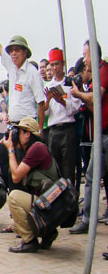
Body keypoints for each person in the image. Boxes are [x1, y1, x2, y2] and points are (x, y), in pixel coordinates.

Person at [3, 118, 61, 252]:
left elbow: (16, 177)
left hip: (50, 206)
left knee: (13, 197)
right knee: (15, 224)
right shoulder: (33, 149)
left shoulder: (37, 148)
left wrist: (11, 149)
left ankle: (30, 241)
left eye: (19, 132)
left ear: (27, 134)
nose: (16, 135)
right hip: (47, 204)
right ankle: (48, 233)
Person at [0, 15, 45, 124]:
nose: (13, 53)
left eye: (16, 50)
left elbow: (41, 103)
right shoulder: (11, 66)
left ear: (25, 52)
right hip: (13, 123)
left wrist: (39, 131)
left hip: (28, 124)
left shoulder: (32, 73)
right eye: (11, 51)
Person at [69, 40, 108, 234]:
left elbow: (96, 98)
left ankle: (88, 219)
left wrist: (79, 94)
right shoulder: (97, 74)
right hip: (101, 134)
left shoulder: (103, 70)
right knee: (91, 177)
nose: (84, 60)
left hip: (105, 134)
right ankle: (88, 219)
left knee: (92, 177)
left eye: (85, 55)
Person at [44, 48, 80, 189]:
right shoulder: (48, 86)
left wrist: (63, 102)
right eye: (52, 65)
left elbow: (76, 108)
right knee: (55, 169)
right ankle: (57, 203)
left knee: (68, 168)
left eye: (57, 64)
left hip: (68, 129)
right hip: (53, 131)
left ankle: (69, 203)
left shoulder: (71, 84)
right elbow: (45, 113)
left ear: (63, 64)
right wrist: (47, 102)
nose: (54, 68)